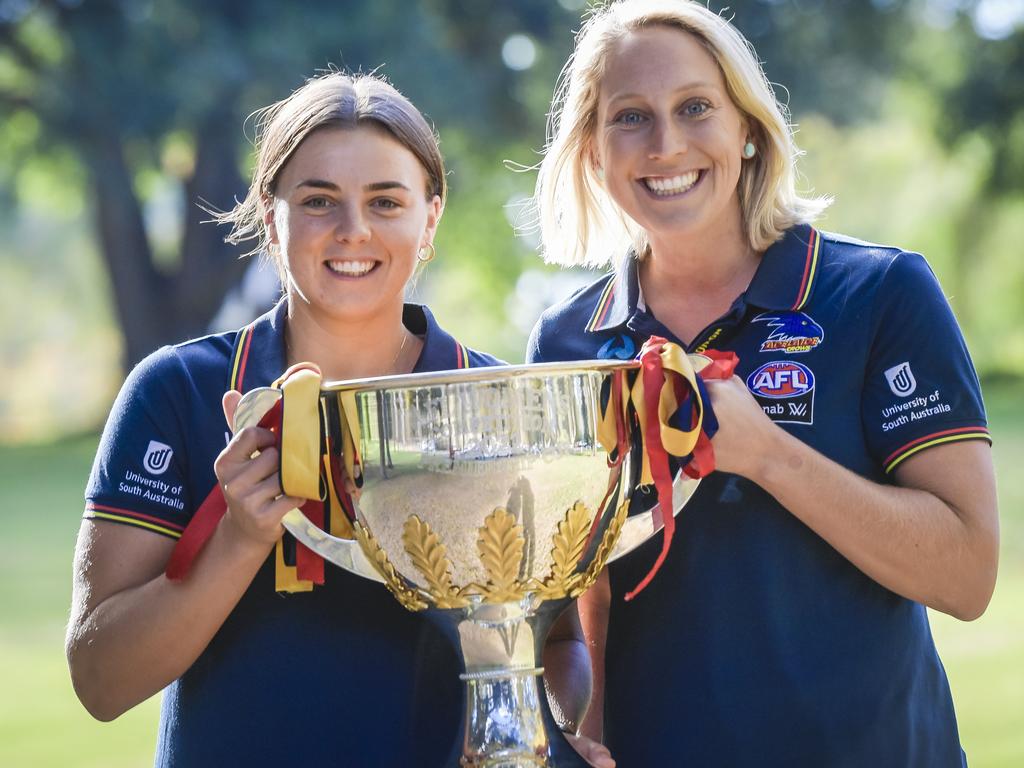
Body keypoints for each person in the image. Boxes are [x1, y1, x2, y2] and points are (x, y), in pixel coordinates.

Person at [528, 2, 999, 766]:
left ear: (747, 128)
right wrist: (579, 728)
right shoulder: (565, 343)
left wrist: (768, 455)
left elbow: (968, 574)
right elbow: (588, 598)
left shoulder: (880, 292)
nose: (666, 143)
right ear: (592, 151)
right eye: (630, 117)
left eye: (695, 108)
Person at [66, 72, 512, 766]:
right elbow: (100, 682)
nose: (353, 230)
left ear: (430, 217)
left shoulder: (498, 398)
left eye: (386, 201)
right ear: (271, 217)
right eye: (318, 200)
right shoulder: (178, 389)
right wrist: (241, 539)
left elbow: (558, 645)